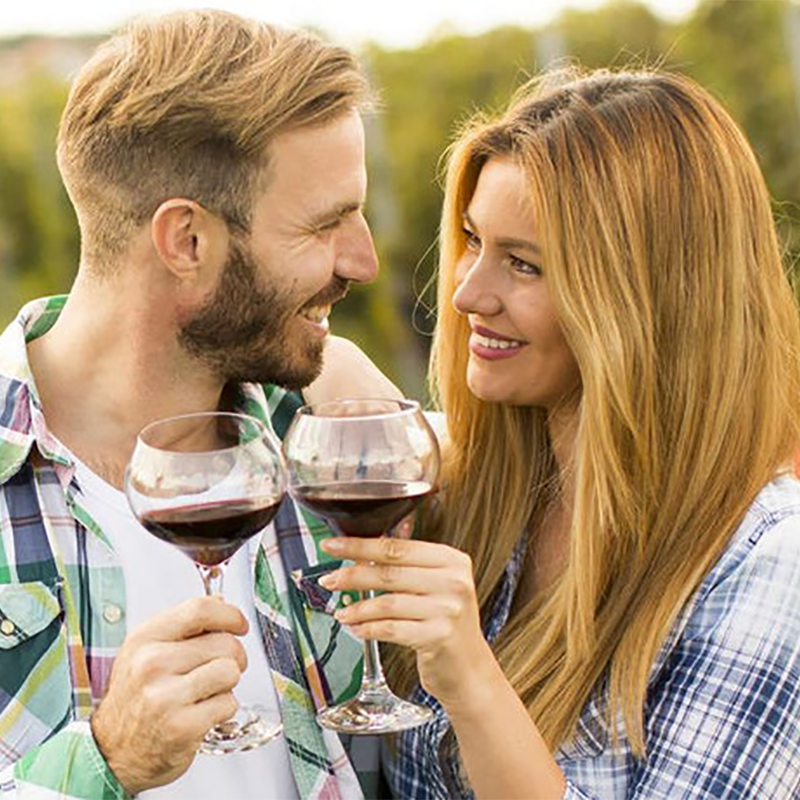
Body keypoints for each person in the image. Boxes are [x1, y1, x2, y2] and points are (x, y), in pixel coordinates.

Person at [314, 65, 800, 798]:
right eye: (472, 240)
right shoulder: (478, 500)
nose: (468, 293)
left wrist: (472, 681)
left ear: (646, 297)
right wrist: (338, 363)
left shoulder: (765, 568)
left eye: (524, 264)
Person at [0, 9, 398, 800]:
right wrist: (105, 762)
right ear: (186, 240)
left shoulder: (336, 447)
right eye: (325, 224)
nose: (365, 261)